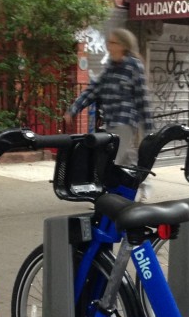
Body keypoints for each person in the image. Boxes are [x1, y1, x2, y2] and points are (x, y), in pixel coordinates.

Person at [65, 27, 153, 197]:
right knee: (127, 158)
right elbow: (93, 90)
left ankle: (107, 197)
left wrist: (149, 129)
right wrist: (74, 109)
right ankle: (142, 182)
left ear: (123, 46)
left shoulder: (134, 66)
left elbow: (142, 97)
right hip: (111, 121)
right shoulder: (110, 67)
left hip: (125, 122)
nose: (108, 46)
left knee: (111, 160)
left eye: (113, 42)